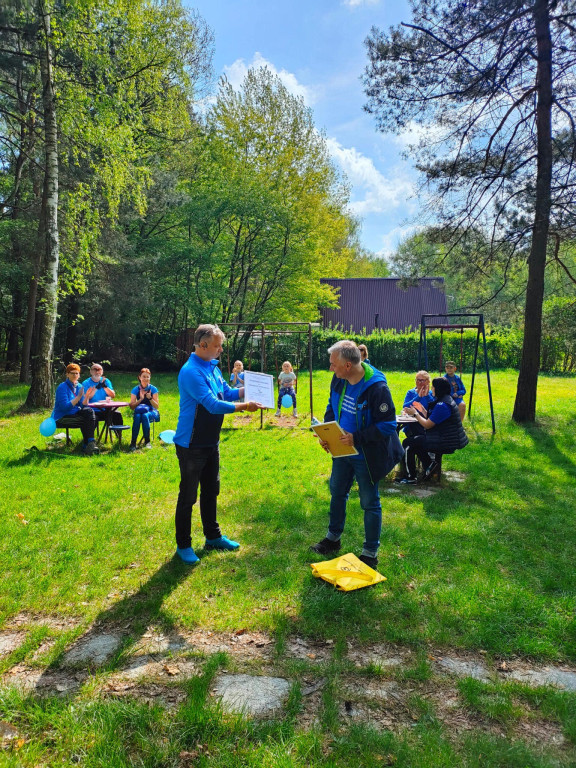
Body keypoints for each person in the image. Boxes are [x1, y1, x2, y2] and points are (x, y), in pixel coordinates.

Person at [173, 324, 264, 564]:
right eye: (217, 345)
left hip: (211, 441)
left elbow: (226, 392)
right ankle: (183, 545)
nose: (221, 350)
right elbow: (212, 404)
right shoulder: (191, 371)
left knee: (211, 490)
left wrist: (254, 390)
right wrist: (246, 407)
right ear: (202, 345)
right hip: (191, 444)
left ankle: (213, 537)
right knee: (188, 496)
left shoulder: (211, 367)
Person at [310, 340, 404, 570]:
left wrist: (357, 438)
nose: (331, 368)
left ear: (349, 365)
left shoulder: (377, 388)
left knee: (369, 502)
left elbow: (389, 425)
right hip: (342, 451)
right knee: (337, 492)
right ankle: (333, 539)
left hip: (367, 455)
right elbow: (332, 406)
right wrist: (328, 433)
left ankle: (370, 553)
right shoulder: (339, 379)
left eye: (333, 365)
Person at [400, 376, 469, 484]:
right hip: (445, 437)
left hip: (445, 440)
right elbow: (433, 417)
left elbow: (427, 425)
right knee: (416, 441)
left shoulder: (443, 405)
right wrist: (422, 409)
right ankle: (430, 466)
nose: (431, 389)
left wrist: (415, 414)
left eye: (433, 387)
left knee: (408, 443)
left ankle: (410, 477)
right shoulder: (445, 400)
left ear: (438, 389)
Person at [51, 363, 99, 455]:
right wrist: (79, 397)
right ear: (67, 374)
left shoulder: (80, 386)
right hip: (62, 416)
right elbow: (64, 408)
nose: (75, 375)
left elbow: (83, 405)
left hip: (75, 413)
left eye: (77, 373)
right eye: (72, 373)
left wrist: (87, 397)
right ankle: (88, 444)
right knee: (88, 420)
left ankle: (88, 443)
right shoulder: (62, 387)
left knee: (92, 415)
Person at [129, 368, 159, 452]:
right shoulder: (135, 389)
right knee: (138, 416)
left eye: (147, 377)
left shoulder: (153, 389)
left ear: (150, 378)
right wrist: (140, 399)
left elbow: (156, 406)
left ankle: (147, 441)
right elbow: (132, 407)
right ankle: (133, 443)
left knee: (144, 415)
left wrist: (150, 398)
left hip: (152, 412)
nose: (146, 379)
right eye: (144, 376)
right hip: (139, 411)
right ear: (139, 377)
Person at [401, 370, 435, 436]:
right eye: (418, 380)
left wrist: (427, 396)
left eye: (423, 380)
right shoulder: (411, 393)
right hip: (411, 424)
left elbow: (434, 407)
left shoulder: (431, 394)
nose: (420, 382)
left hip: (426, 424)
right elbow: (405, 407)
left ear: (428, 381)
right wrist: (418, 397)